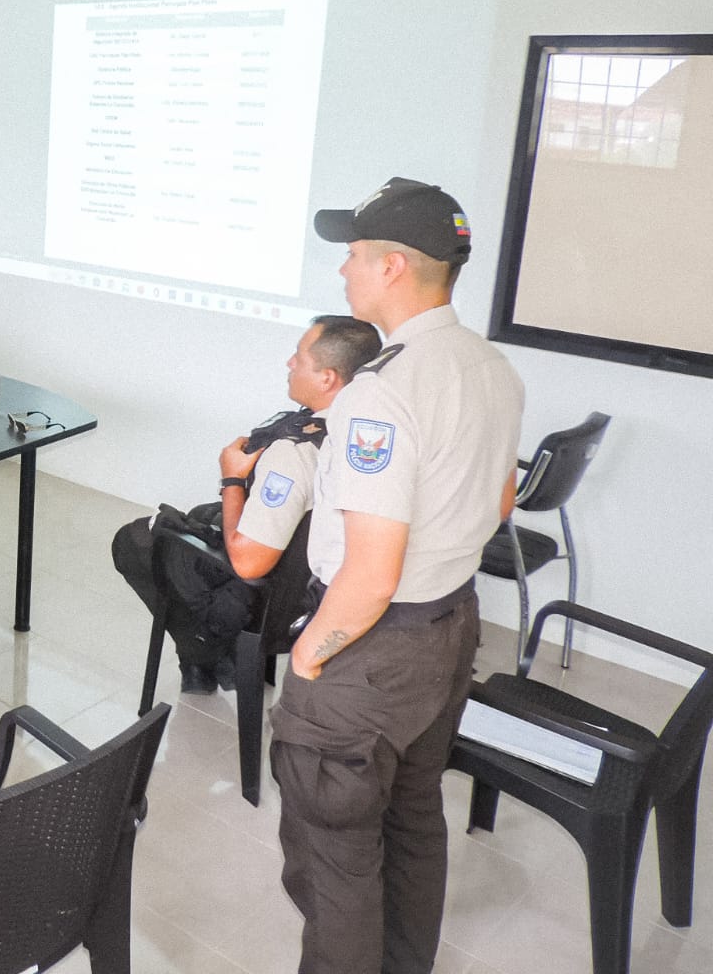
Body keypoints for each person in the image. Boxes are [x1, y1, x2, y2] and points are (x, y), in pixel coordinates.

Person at [269, 177, 523, 974]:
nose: (344, 270)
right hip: (450, 629)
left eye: (353, 255)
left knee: (335, 859)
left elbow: (371, 576)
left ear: (391, 267)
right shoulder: (491, 366)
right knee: (413, 821)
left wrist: (308, 658)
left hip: (374, 649)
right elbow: (501, 504)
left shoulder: (379, 394)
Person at [111, 316, 379, 693]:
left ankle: (202, 653)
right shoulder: (369, 432)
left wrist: (232, 479)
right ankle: (204, 661)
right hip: (320, 584)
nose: (289, 363)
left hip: (273, 603)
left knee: (134, 541)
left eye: (299, 357)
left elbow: (249, 563)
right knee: (201, 515)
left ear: (327, 378)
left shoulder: (293, 454)